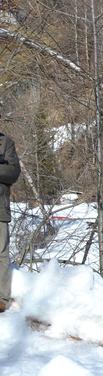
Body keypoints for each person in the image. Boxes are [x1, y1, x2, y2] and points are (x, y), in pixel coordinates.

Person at [0, 128, 20, 313]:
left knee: (1, 255)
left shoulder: (6, 142)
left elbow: (13, 172)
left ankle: (1, 300)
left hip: (0, 208)